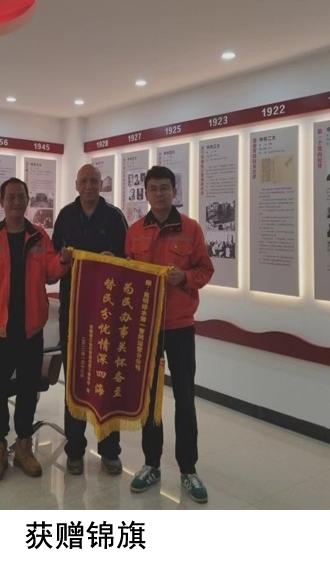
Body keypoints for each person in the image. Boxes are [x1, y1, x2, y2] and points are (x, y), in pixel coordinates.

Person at [0, 178, 71, 484]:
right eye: (10, 197)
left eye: (21, 197)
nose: (16, 202)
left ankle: (25, 448)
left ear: (28, 200)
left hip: (30, 332)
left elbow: (51, 273)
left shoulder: (39, 236)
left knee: (28, 393)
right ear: (1, 202)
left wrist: (63, 261)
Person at [125, 166, 214, 504]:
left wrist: (185, 278)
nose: (159, 193)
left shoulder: (191, 229)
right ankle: (151, 464)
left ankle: (188, 469)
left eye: (164, 188)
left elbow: (205, 270)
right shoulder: (135, 231)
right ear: (146, 193)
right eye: (153, 188)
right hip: (145, 328)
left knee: (185, 399)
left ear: (174, 191)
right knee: (149, 399)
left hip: (179, 327)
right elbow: (127, 273)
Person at [53, 164, 129, 476]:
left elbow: (129, 262)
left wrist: (116, 261)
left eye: (94, 181)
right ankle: (74, 450)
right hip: (73, 312)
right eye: (84, 181)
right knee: (75, 382)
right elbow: (54, 259)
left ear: (101, 185)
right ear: (76, 184)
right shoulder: (65, 216)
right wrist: (63, 260)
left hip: (107, 313)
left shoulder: (114, 217)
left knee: (107, 381)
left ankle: (110, 451)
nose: (88, 186)